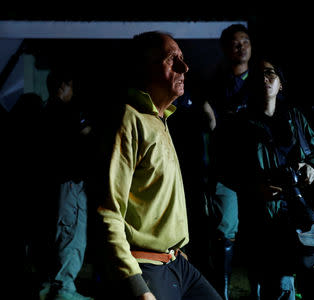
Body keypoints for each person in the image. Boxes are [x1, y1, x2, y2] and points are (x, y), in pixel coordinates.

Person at [94, 30, 222, 300]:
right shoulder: (128, 119)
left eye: (183, 59)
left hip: (176, 262)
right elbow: (108, 211)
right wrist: (137, 286)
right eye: (171, 59)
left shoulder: (161, 119)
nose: (184, 67)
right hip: (144, 266)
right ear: (144, 68)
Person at [235, 57, 314, 299]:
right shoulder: (239, 125)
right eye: (258, 75)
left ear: (280, 84)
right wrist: (254, 188)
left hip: (307, 216)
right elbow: (227, 170)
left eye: (271, 73)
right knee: (279, 290)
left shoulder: (296, 118)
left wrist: (313, 167)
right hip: (268, 223)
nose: (265, 78)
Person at [205, 23, 254, 299]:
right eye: (236, 42)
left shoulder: (262, 81)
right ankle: (220, 292)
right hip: (225, 169)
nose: (241, 46)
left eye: (246, 41)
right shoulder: (213, 84)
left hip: (257, 169)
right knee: (224, 229)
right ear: (225, 48)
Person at [38, 66, 93, 300]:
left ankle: (49, 285)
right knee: (70, 232)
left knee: (53, 232)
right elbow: (85, 139)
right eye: (70, 85)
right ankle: (63, 288)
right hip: (69, 183)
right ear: (63, 87)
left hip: (49, 184)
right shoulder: (69, 114)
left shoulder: (42, 113)